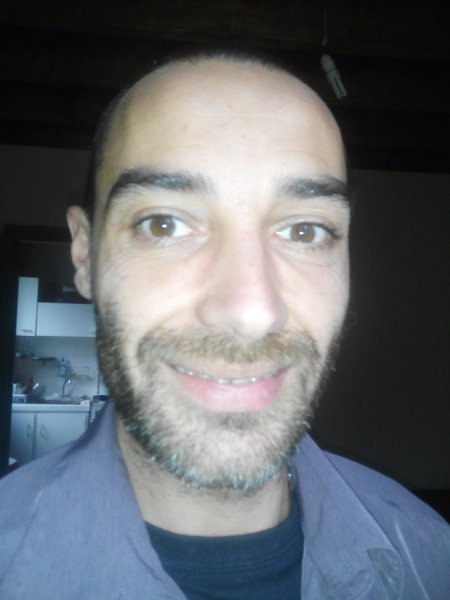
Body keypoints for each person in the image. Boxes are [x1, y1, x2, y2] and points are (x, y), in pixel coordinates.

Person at [1, 50, 449, 600]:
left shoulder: (430, 556)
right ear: (84, 254)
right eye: (164, 224)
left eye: (305, 231)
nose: (251, 312)